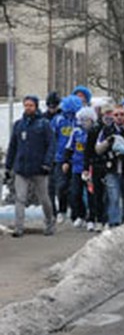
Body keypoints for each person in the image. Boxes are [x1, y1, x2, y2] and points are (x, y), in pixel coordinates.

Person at [5, 95, 56, 237]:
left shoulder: (44, 124)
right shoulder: (18, 125)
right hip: (21, 168)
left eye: (31, 105)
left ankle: (49, 223)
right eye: (26, 105)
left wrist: (47, 162)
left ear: (36, 107)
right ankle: (18, 227)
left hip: (40, 168)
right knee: (20, 198)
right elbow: (13, 147)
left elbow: (51, 145)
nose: (28, 108)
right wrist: (9, 167)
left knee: (44, 198)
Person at [64, 107, 97, 228]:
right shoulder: (76, 132)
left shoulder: (95, 132)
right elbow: (69, 147)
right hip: (77, 167)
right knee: (75, 193)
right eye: (82, 120)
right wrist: (66, 161)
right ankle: (80, 215)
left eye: (87, 120)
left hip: (90, 168)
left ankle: (92, 218)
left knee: (91, 194)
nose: (84, 123)